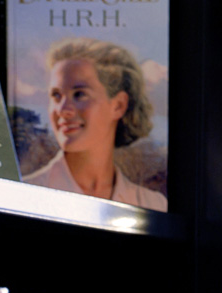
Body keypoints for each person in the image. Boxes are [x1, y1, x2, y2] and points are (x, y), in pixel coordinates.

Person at [23, 37, 168, 211]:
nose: (62, 109)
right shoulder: (24, 197)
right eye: (56, 96)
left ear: (118, 105)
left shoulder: (152, 204)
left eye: (79, 94)